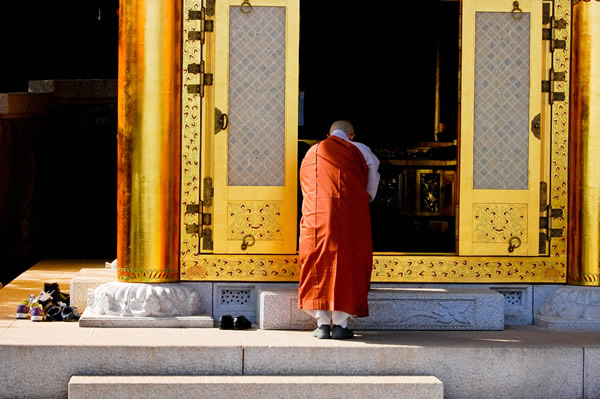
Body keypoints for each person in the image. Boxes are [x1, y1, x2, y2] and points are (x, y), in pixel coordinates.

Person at [297, 120, 380, 339]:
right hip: (350, 219)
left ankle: (322, 324)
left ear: (329, 134)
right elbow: (371, 188)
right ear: (352, 136)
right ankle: (341, 325)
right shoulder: (360, 150)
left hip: (317, 220)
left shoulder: (312, 152)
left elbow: (306, 185)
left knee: (318, 263)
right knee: (347, 266)